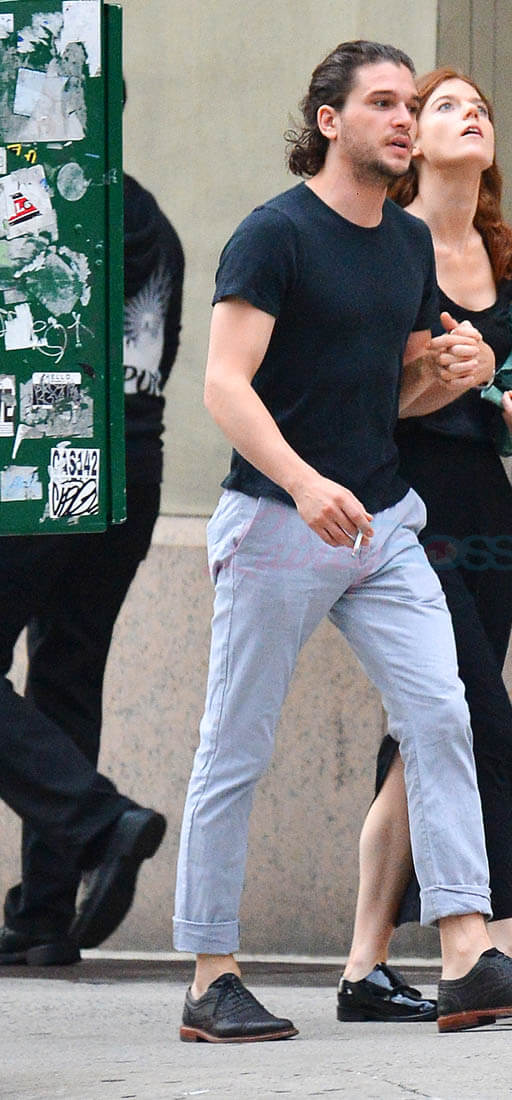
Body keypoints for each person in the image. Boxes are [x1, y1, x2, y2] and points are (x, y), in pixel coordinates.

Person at [173, 40, 512, 1043]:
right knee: (236, 744)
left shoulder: (403, 245)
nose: (403, 120)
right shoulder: (274, 235)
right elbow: (224, 384)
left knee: (442, 716)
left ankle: (464, 953)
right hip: (278, 522)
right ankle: (210, 975)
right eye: (384, 104)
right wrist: (302, 480)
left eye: (411, 105)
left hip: (385, 522)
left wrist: (451, 370)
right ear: (329, 121)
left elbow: (397, 393)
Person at [337, 68, 512, 1023]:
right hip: (408, 506)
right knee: (480, 722)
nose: (468, 114)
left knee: (421, 740)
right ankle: (500, 940)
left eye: (477, 105)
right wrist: (451, 377)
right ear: (413, 139)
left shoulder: (503, 248)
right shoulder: (388, 245)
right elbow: (372, 398)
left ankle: (362, 971)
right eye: (444, 104)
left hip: (485, 507)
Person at [0, 166, 184, 965]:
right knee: (67, 676)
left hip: (45, 455)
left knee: (64, 672)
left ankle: (100, 824)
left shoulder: (25, 200)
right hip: (132, 464)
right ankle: (44, 914)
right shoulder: (146, 215)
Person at [0, 674, 166, 962]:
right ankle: (42, 913)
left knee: (66, 684)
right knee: (67, 686)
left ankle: (98, 825)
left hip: (94, 820)